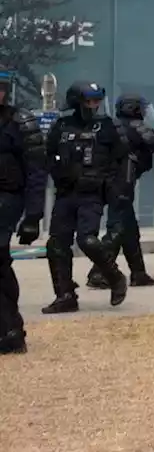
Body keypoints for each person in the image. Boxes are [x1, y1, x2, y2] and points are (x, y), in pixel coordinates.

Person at [41, 81, 131, 313]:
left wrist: (117, 191)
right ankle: (65, 295)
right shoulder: (61, 126)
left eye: (97, 100)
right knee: (57, 244)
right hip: (65, 193)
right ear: (76, 102)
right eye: (89, 100)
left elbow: (123, 161)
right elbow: (48, 155)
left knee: (87, 240)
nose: (94, 105)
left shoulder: (109, 127)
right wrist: (59, 174)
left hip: (93, 193)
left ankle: (114, 276)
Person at [91, 94, 154, 290]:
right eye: (142, 107)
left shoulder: (118, 125)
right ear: (133, 109)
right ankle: (98, 272)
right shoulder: (136, 125)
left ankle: (138, 273)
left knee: (129, 231)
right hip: (121, 184)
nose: (146, 111)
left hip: (115, 184)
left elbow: (150, 136)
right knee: (117, 229)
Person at [0, 68, 46, 354]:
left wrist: (33, 215)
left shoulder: (21, 122)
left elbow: (36, 171)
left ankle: (11, 329)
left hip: (7, 198)